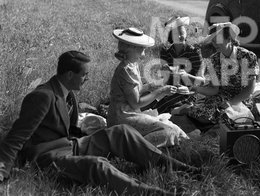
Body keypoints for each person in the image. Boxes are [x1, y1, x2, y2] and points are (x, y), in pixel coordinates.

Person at [0, 50, 199, 195]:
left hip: (70, 145)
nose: (87, 78)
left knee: (121, 131)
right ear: (70, 75)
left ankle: (175, 166)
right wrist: (2, 170)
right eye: (84, 74)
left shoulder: (66, 92)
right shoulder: (42, 96)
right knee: (96, 165)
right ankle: (149, 192)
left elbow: (68, 127)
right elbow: (17, 136)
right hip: (47, 157)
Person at [107, 27, 189, 147]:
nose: (144, 51)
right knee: (168, 130)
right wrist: (161, 91)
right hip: (122, 117)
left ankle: (187, 143)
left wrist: (151, 86)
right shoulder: (126, 70)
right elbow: (136, 103)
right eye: (141, 48)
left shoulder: (132, 65)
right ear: (132, 49)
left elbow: (133, 92)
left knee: (169, 126)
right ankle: (134, 148)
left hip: (128, 113)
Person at [185, 22, 259, 125]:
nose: (215, 45)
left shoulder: (247, 57)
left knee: (228, 118)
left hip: (241, 97)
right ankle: (188, 109)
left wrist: (230, 103)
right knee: (203, 116)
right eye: (213, 41)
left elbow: (249, 89)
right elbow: (215, 90)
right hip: (221, 96)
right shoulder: (213, 60)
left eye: (218, 41)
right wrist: (196, 89)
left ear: (228, 38)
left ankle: (220, 118)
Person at [146, 16, 205, 114]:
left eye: (182, 32)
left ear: (186, 32)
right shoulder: (165, 51)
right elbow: (166, 78)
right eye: (176, 34)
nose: (179, 36)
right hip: (171, 88)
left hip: (189, 90)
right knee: (150, 97)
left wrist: (187, 76)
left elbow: (202, 81)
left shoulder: (194, 52)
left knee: (163, 104)